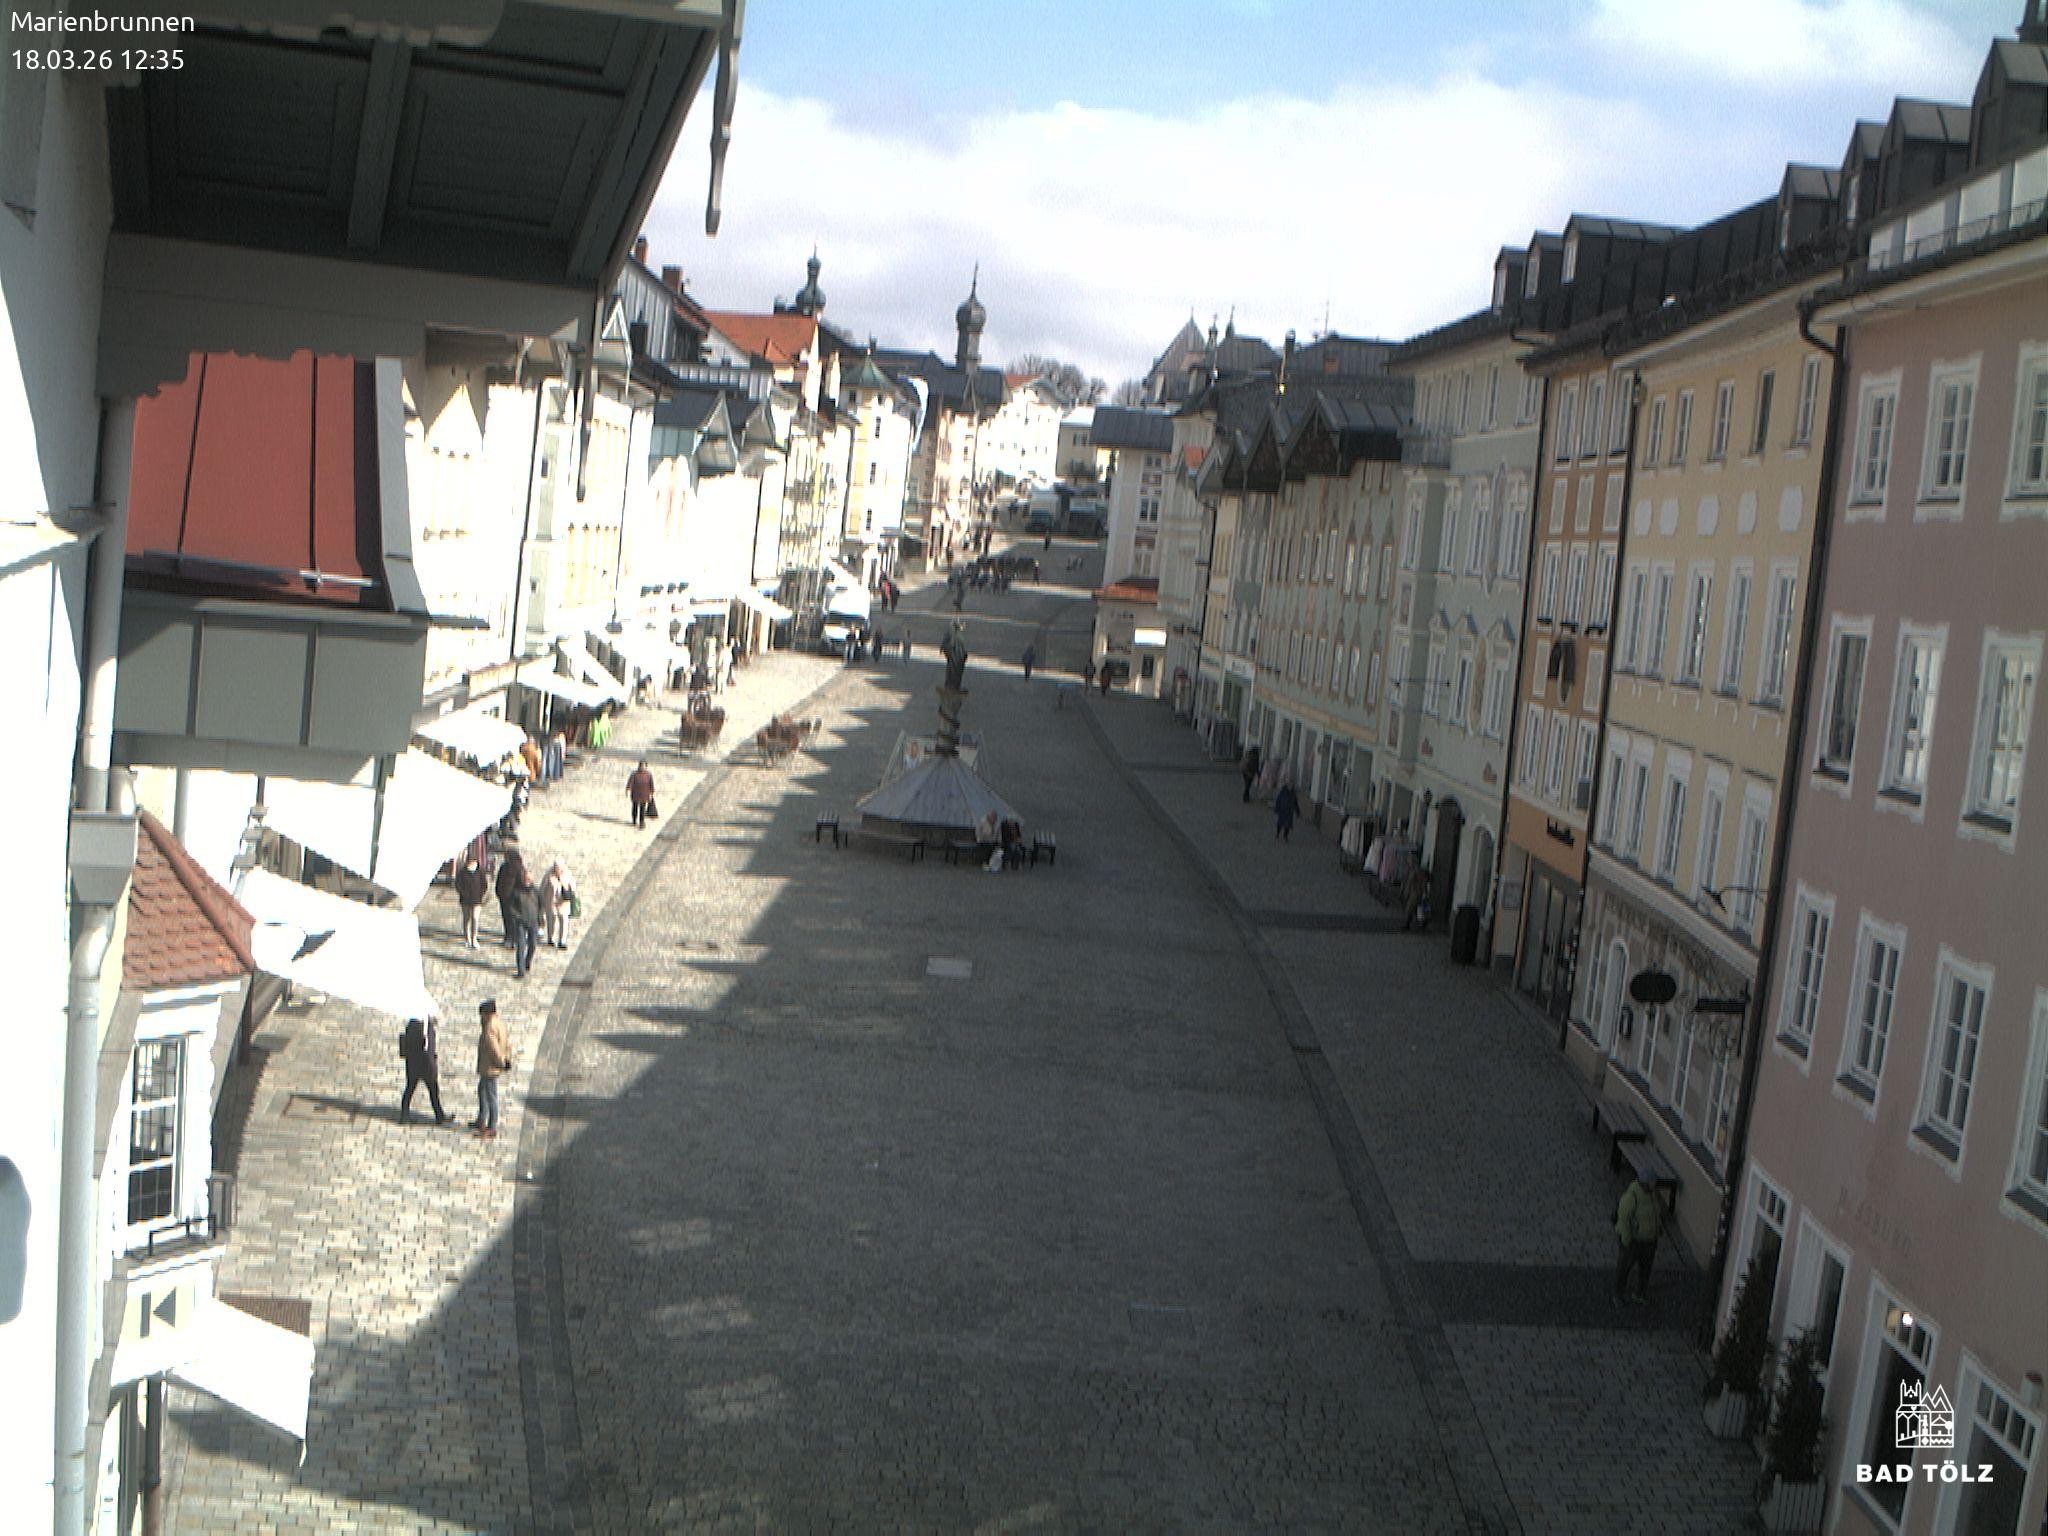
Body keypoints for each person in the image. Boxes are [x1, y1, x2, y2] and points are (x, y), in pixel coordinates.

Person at [1614, 1168, 1664, 1304]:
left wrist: (1658, 1228)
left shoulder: (1652, 1194)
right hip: (1633, 1241)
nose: (1654, 1185)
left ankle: (1640, 1293)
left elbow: (1655, 1213)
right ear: (1645, 1183)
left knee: (1646, 1269)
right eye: (1652, 1182)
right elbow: (1623, 1219)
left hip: (1649, 1240)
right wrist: (1626, 1239)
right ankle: (1618, 1294)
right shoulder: (1631, 1197)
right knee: (1625, 1268)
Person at [473, 999, 512, 1140]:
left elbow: (493, 1048)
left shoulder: (490, 1028)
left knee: (491, 1096)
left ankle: (492, 1126)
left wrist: (500, 1062)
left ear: (487, 1014)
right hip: (493, 1066)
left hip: (490, 1067)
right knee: (482, 1090)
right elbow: (507, 1043)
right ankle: (481, 1120)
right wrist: (507, 1058)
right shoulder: (500, 1024)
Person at [398, 1016, 449, 1125]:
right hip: (425, 1064)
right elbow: (429, 1050)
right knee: (433, 1089)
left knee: (411, 1088)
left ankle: (404, 1115)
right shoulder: (426, 1029)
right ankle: (439, 1116)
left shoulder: (412, 1024)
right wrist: (433, 1068)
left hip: (412, 1063)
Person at [509, 870, 541, 979]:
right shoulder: (516, 891)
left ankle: (527, 961)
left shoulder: (535, 891)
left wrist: (539, 917)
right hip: (520, 923)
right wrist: (518, 917)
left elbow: (541, 904)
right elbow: (511, 908)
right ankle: (520, 970)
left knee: (533, 944)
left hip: (533, 921)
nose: (527, 881)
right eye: (525, 879)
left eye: (529, 879)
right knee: (521, 946)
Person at [494, 843, 527, 947]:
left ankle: (513, 938)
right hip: (504, 898)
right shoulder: (504, 867)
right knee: (506, 918)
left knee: (513, 919)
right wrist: (498, 892)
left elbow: (522, 884)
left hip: (513, 899)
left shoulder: (519, 869)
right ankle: (509, 937)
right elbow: (499, 880)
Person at [454, 854, 488, 949]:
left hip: (477, 900)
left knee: (475, 918)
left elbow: (484, 884)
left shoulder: (480, 872)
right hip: (465, 900)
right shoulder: (462, 872)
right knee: (467, 919)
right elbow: (458, 885)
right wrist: (464, 894)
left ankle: (474, 938)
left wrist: (480, 894)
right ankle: (467, 939)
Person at [539, 861, 574, 950]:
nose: (558, 869)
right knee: (551, 920)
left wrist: (565, 885)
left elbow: (573, 888)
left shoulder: (568, 875)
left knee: (564, 921)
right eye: (556, 867)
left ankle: (562, 941)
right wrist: (541, 901)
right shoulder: (549, 875)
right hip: (551, 902)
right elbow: (542, 888)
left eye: (559, 867)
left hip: (563, 903)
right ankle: (551, 938)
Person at [1401, 860, 1430, 932]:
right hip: (1422, 893)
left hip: (1415, 893)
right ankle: (1422, 923)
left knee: (1411, 909)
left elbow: (1410, 883)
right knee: (1421, 909)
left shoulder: (1415, 872)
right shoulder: (1425, 874)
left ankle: (1408, 924)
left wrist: (1405, 893)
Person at [627, 760, 656, 828]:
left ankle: (641, 822)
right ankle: (634, 820)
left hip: (645, 794)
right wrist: (628, 788)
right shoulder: (634, 774)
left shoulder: (649, 775)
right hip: (635, 793)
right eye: (641, 766)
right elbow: (630, 782)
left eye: (643, 766)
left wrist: (652, 792)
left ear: (646, 767)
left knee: (642, 809)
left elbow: (651, 783)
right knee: (635, 807)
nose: (642, 767)